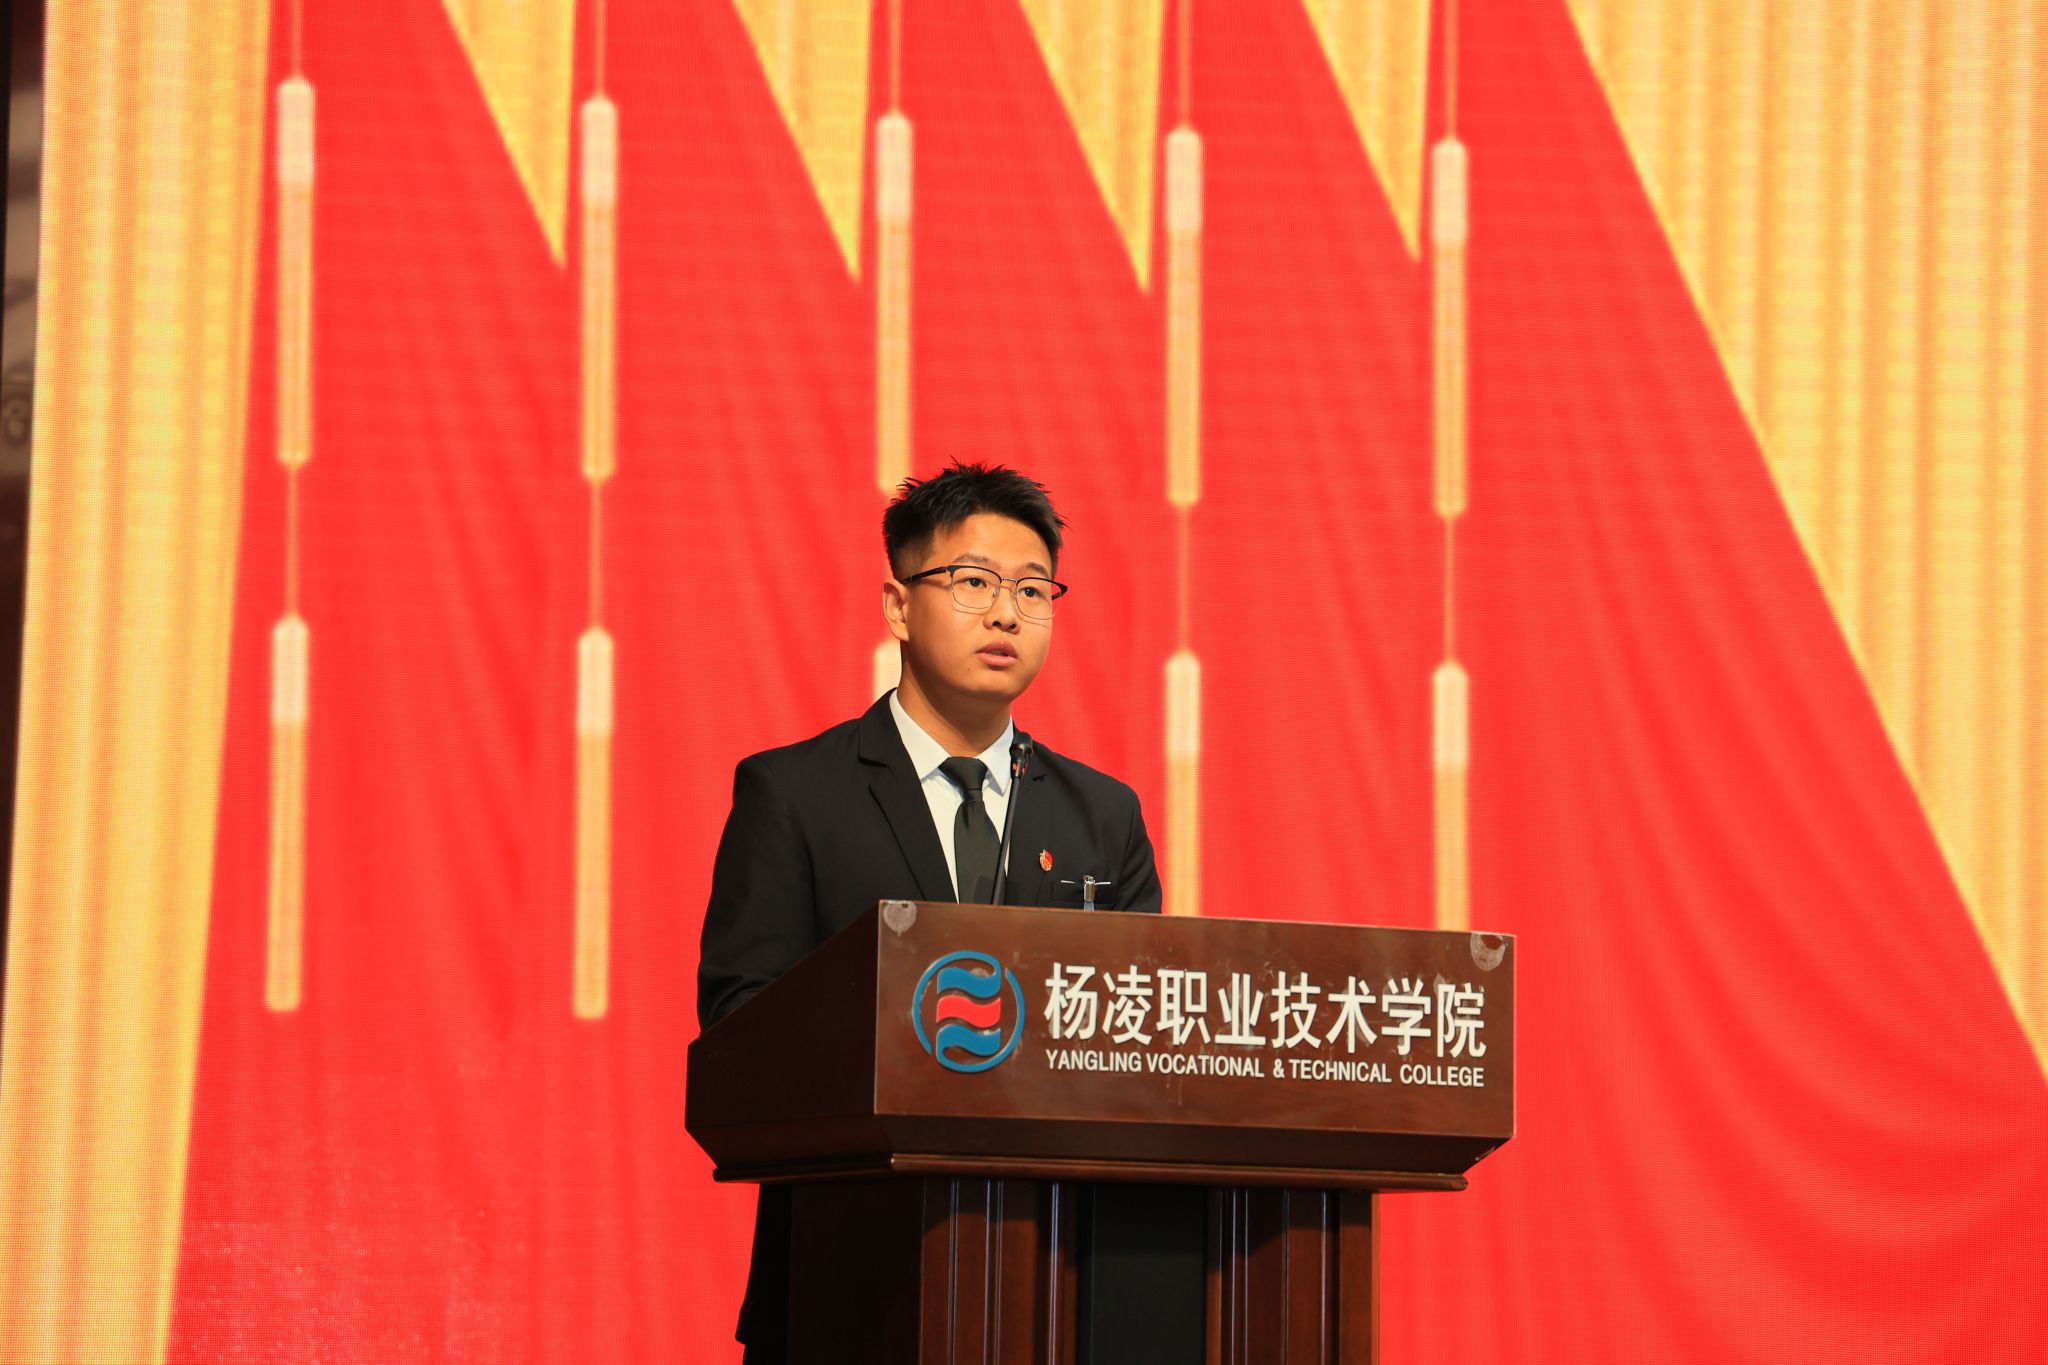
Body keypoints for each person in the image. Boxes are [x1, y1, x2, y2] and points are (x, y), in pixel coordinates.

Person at [697, 461, 1162, 1362]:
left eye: (1033, 589)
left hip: (1059, 1286)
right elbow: (740, 1030)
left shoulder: (1103, 816)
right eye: (974, 581)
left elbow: (1137, 1040)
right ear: (899, 605)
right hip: (845, 1278)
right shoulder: (795, 795)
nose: (1006, 614)